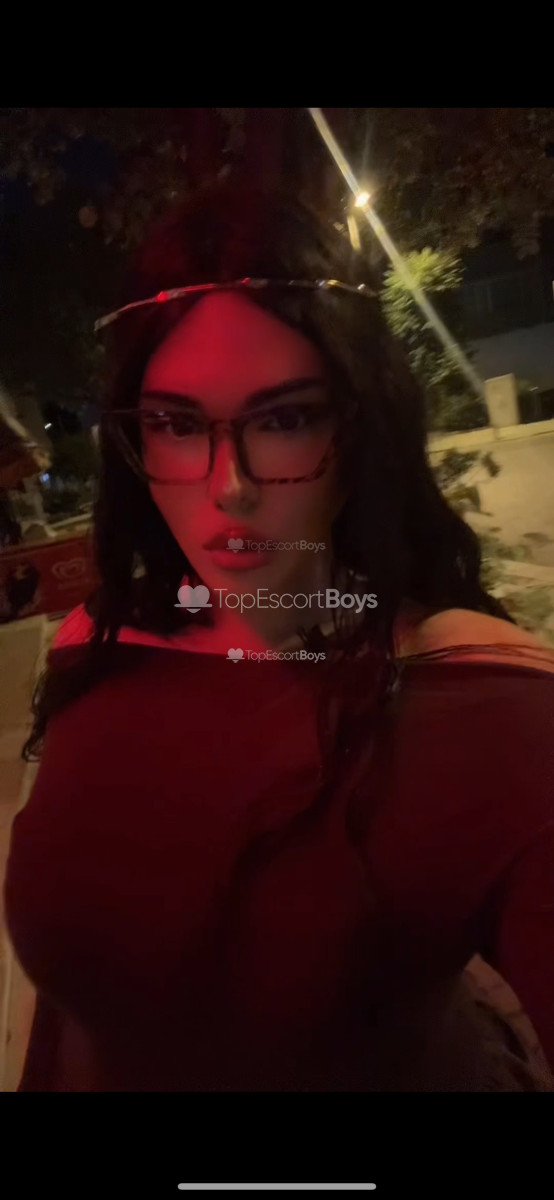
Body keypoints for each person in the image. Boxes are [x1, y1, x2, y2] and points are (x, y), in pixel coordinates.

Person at [4, 180, 554, 1092]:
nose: (230, 487)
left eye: (285, 418)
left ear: (362, 423)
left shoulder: (484, 701)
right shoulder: (99, 640)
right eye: (177, 423)